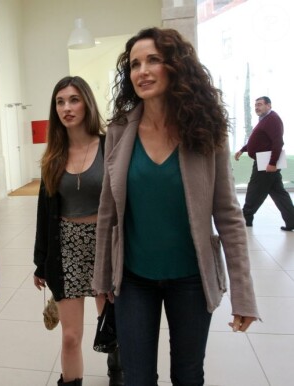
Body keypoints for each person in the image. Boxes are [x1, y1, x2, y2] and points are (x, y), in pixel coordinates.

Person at [92, 27, 260, 385]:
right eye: (135, 64)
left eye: (153, 60)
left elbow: (228, 215)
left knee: (187, 375)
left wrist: (243, 294)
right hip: (134, 280)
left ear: (176, 66)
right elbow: (108, 212)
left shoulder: (205, 130)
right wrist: (103, 277)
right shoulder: (120, 131)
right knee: (136, 377)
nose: (142, 71)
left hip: (191, 279)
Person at [33, 76, 123, 386]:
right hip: (66, 249)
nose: (67, 107)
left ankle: (118, 370)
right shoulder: (53, 156)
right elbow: (44, 214)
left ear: (86, 102)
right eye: (60, 102)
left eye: (73, 100)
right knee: (70, 337)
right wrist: (40, 261)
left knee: (111, 325)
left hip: (105, 247)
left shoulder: (109, 143)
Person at [234, 96, 294, 231]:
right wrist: (243, 149)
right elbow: (259, 140)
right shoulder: (265, 119)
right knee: (279, 193)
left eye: (260, 104)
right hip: (265, 160)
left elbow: (277, 142)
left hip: (266, 162)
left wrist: (272, 163)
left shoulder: (272, 119)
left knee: (254, 190)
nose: (257, 107)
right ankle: (292, 221)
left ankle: (246, 218)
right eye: (255, 105)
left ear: (269, 105)